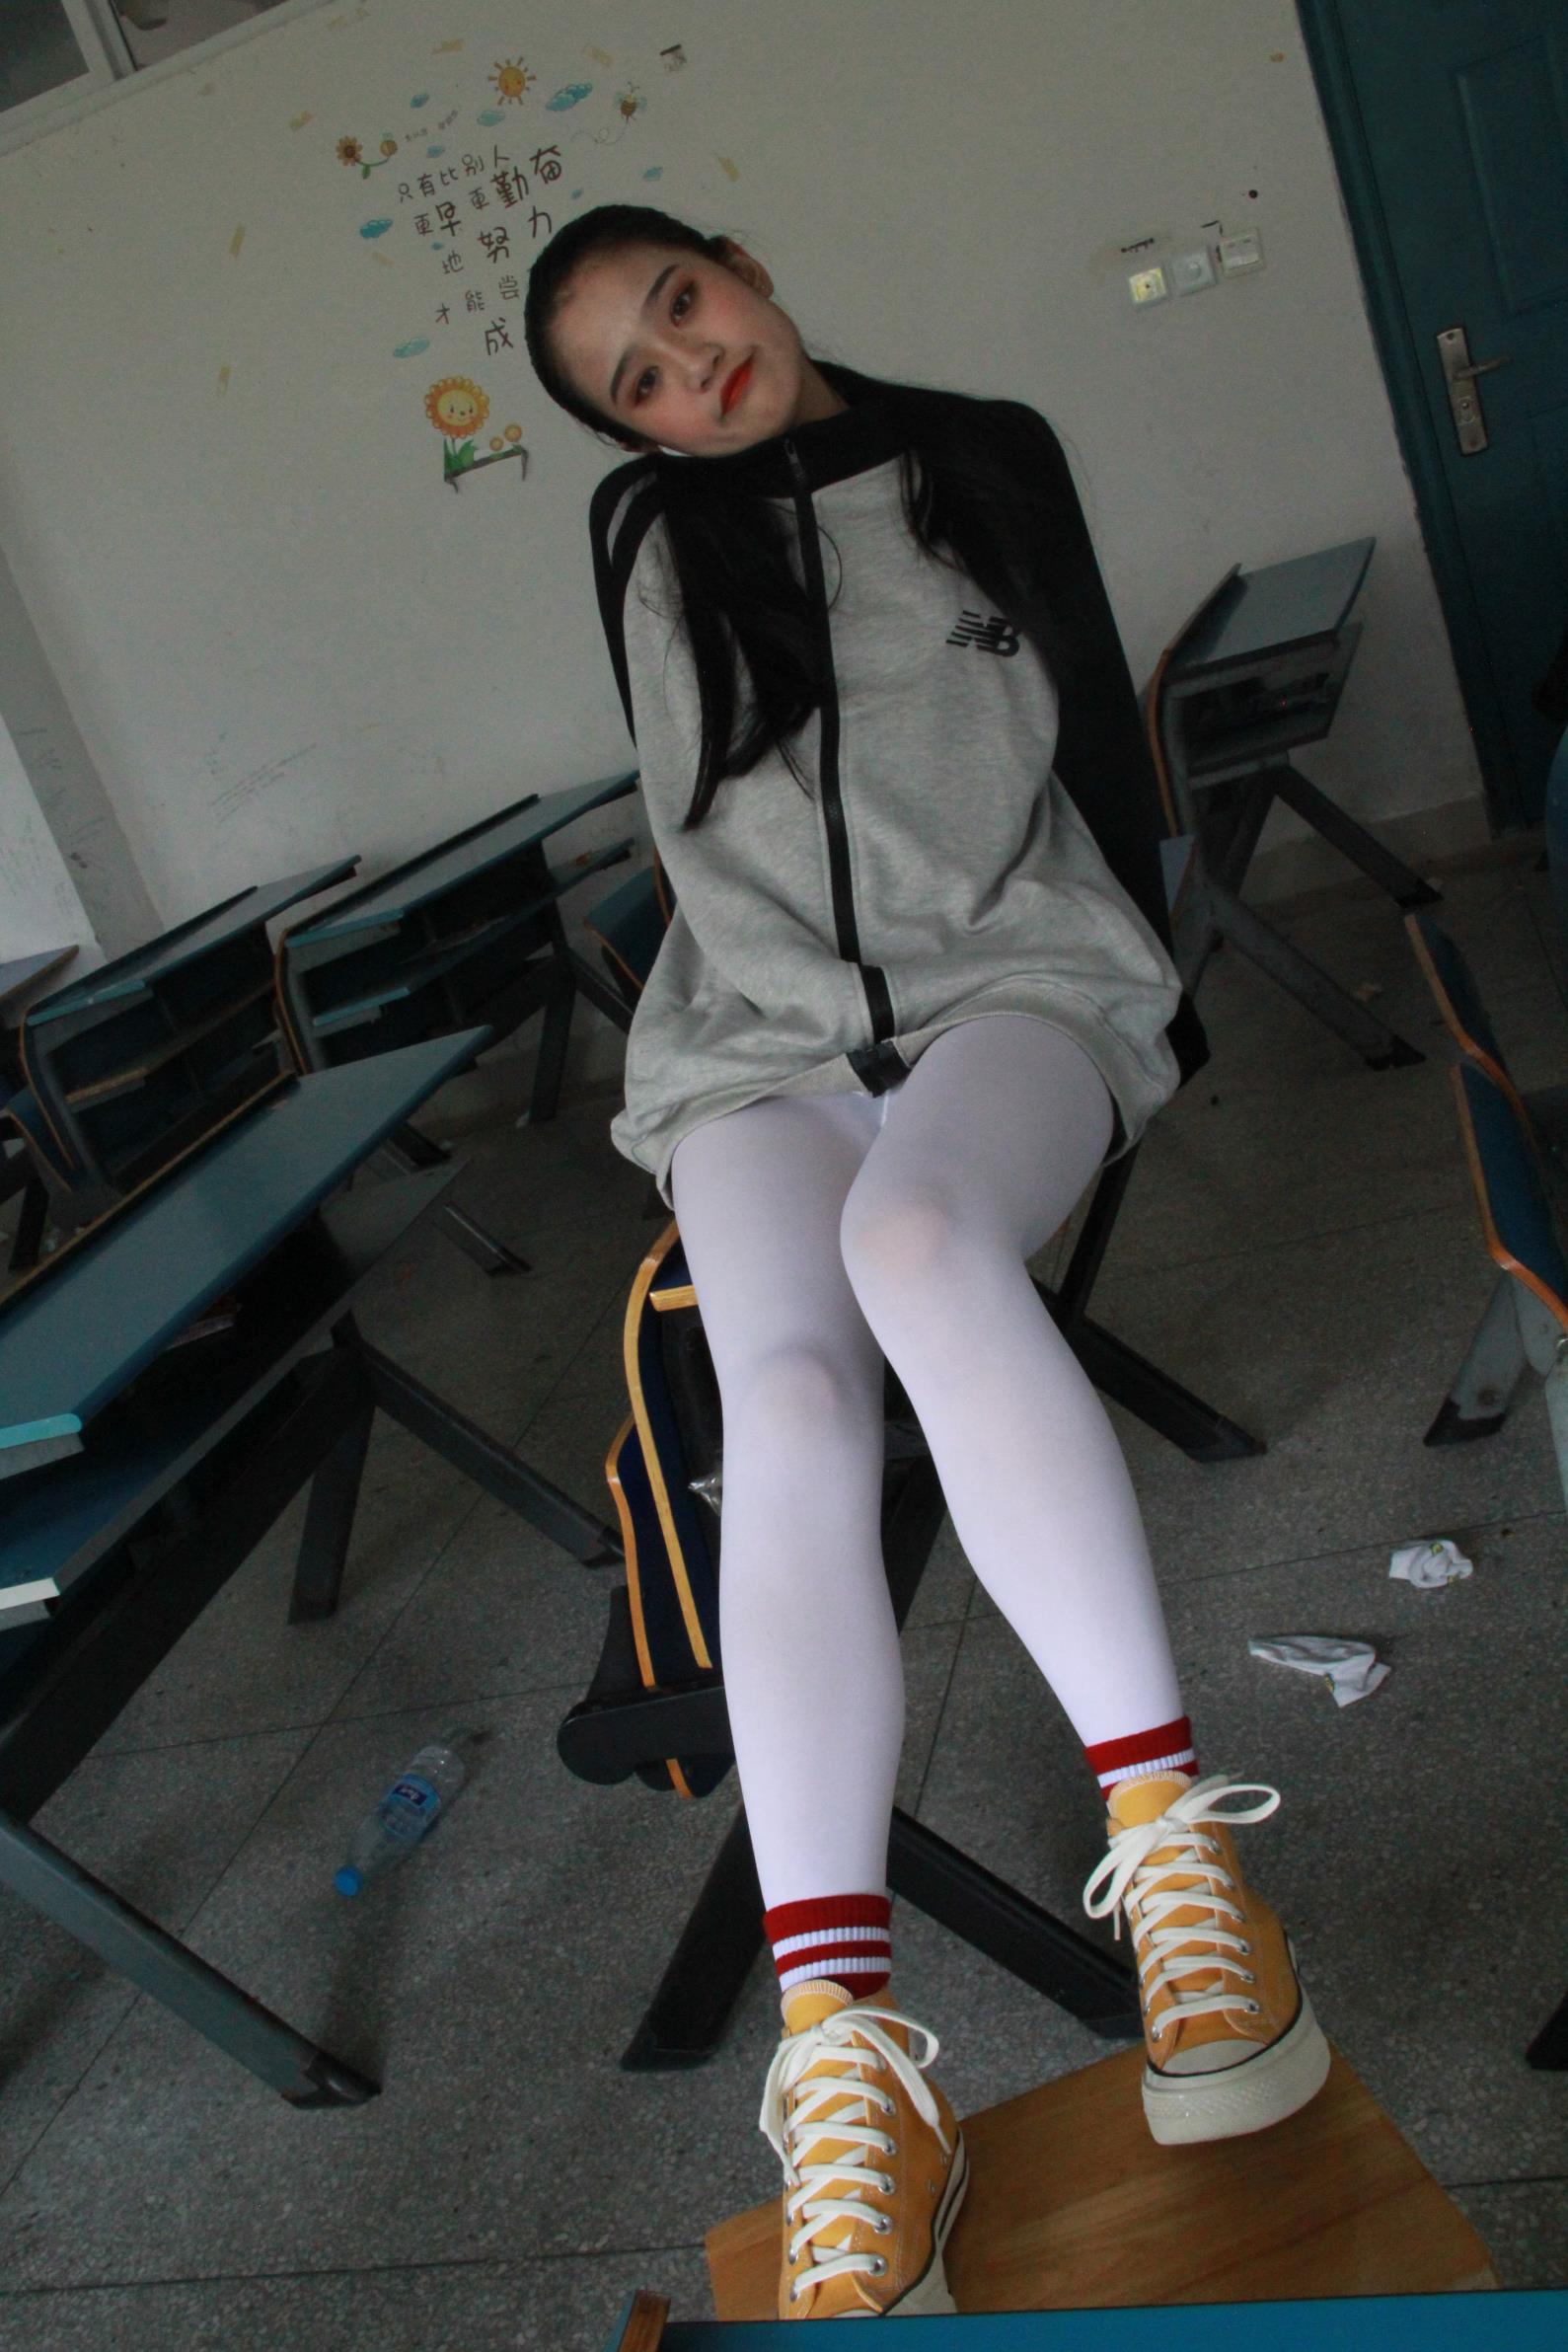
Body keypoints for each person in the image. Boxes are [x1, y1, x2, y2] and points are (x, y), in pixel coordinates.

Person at [524, 206, 1329, 2321]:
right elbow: (709, 823)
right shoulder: (649, 532)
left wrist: (1138, 1004)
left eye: (684, 307)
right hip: (756, 1048)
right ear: (623, 430)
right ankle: (847, 2063)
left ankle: (1181, 1866)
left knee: (918, 1239)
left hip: (1015, 988)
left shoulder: (985, 450)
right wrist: (795, 1034)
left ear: (741, 262)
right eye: (634, 380)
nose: (690, 372)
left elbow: (1099, 766)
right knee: (786, 1394)